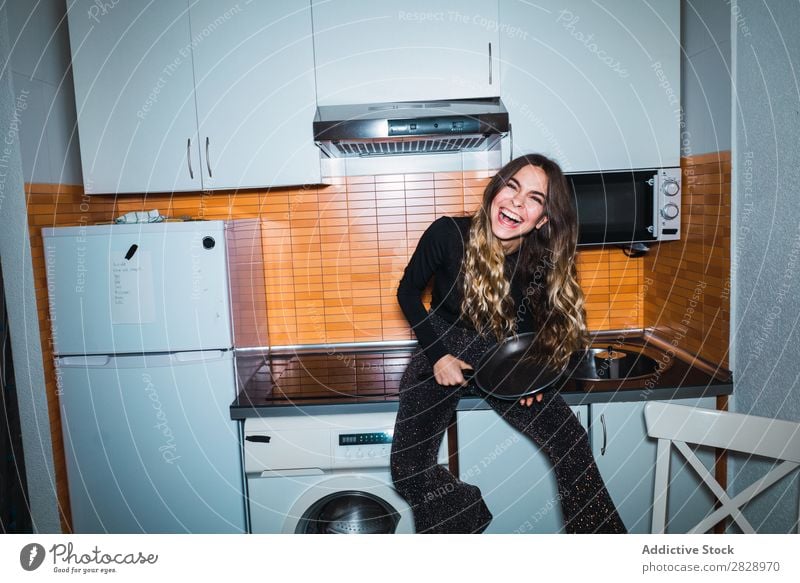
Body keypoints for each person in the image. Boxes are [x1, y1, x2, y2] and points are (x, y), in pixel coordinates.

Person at [390, 153, 626, 534]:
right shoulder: (447, 233)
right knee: (407, 469)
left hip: (503, 353)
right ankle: (462, 510)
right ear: (495, 190)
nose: (517, 202)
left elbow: (536, 325)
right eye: (512, 186)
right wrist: (438, 356)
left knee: (571, 443)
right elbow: (407, 292)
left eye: (534, 198)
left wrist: (531, 377)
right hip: (442, 342)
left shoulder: (540, 257)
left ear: (543, 219)